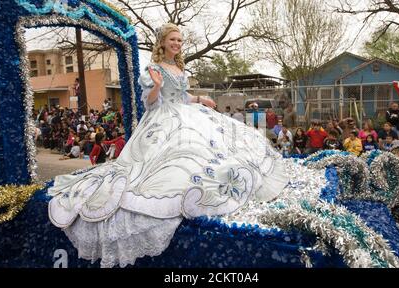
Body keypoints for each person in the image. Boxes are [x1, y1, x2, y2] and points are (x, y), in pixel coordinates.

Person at [47, 23, 289, 268]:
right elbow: (150, 104)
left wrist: (199, 99)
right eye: (173, 39)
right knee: (175, 160)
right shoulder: (152, 69)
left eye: (180, 41)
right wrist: (158, 87)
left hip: (186, 112)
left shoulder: (179, 67)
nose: (177, 44)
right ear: (162, 42)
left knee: (217, 145)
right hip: (163, 119)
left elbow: (182, 97)